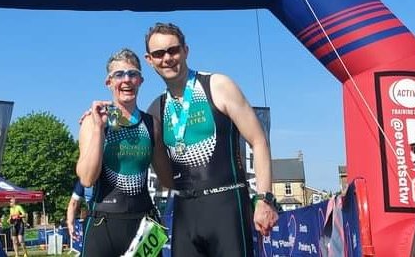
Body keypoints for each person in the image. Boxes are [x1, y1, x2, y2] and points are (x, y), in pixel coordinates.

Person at [144, 22, 278, 257]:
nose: (167, 58)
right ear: (149, 60)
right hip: (186, 212)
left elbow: (258, 141)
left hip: (226, 207)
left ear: (186, 50)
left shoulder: (218, 85)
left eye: (173, 50)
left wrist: (264, 199)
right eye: (159, 54)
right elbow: (166, 179)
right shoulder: (157, 108)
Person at [76, 48, 171, 256]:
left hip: (144, 227)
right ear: (108, 83)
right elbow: (86, 179)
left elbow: (168, 180)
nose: (126, 80)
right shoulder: (93, 121)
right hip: (104, 225)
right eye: (119, 74)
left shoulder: (151, 124)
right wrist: (99, 129)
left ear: (140, 81)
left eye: (133, 74)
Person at [65, 179, 91, 250]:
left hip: (95, 222)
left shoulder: (86, 177)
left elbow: (73, 203)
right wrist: (70, 223)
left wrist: (70, 223)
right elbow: (73, 203)